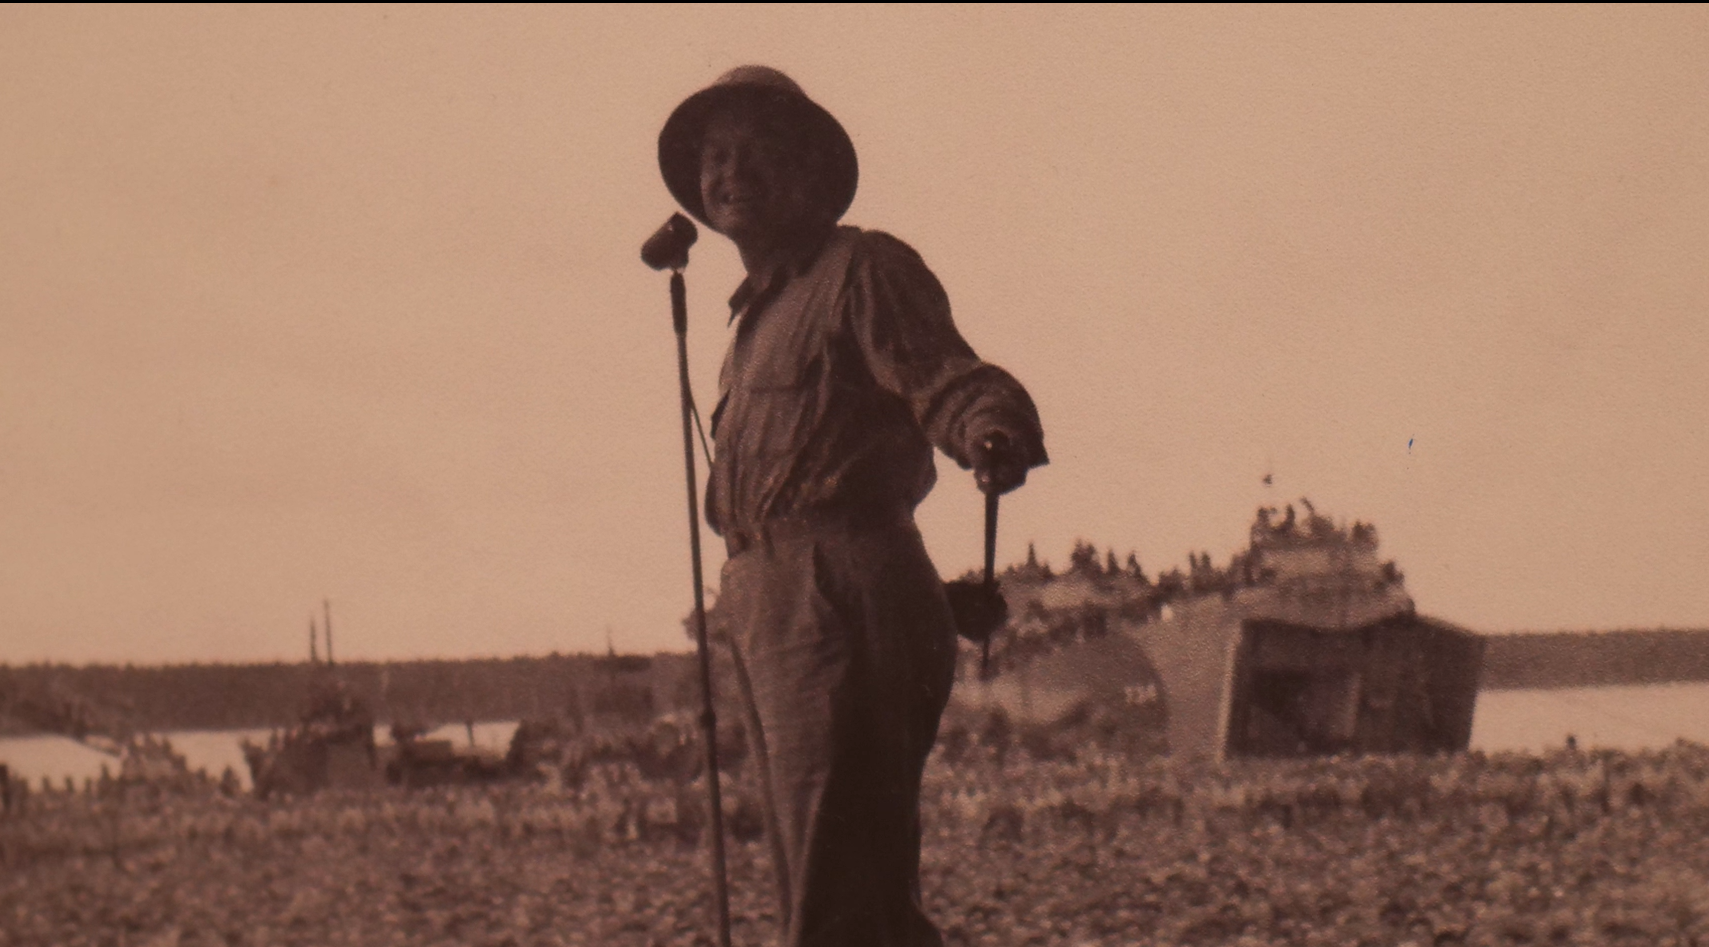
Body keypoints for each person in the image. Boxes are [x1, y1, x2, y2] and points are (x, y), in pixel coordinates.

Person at [656, 66, 1048, 947]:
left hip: (840, 588)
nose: (730, 173)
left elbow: (948, 379)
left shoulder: (859, 268)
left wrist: (990, 428)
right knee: (833, 877)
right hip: (769, 599)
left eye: (757, 152)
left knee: (839, 878)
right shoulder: (751, 319)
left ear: (809, 173)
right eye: (715, 157)